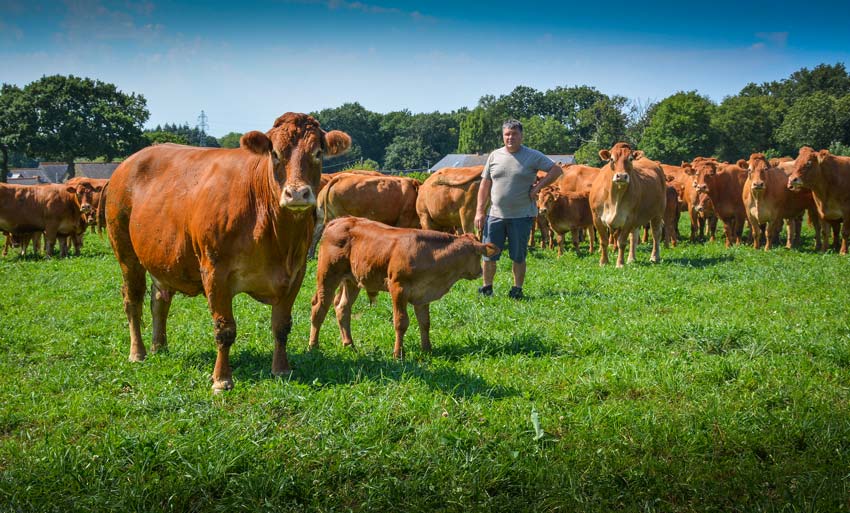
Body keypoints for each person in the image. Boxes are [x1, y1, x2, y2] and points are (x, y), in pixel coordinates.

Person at [474, 119, 563, 299]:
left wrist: (538, 188)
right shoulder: (494, 156)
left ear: (521, 136)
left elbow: (556, 170)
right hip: (495, 215)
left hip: (521, 216)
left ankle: (517, 289)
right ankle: (487, 287)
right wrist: (479, 211)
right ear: (503, 136)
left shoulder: (532, 155)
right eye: (507, 134)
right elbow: (485, 184)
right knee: (489, 254)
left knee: (518, 255)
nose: (510, 137)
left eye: (514, 134)